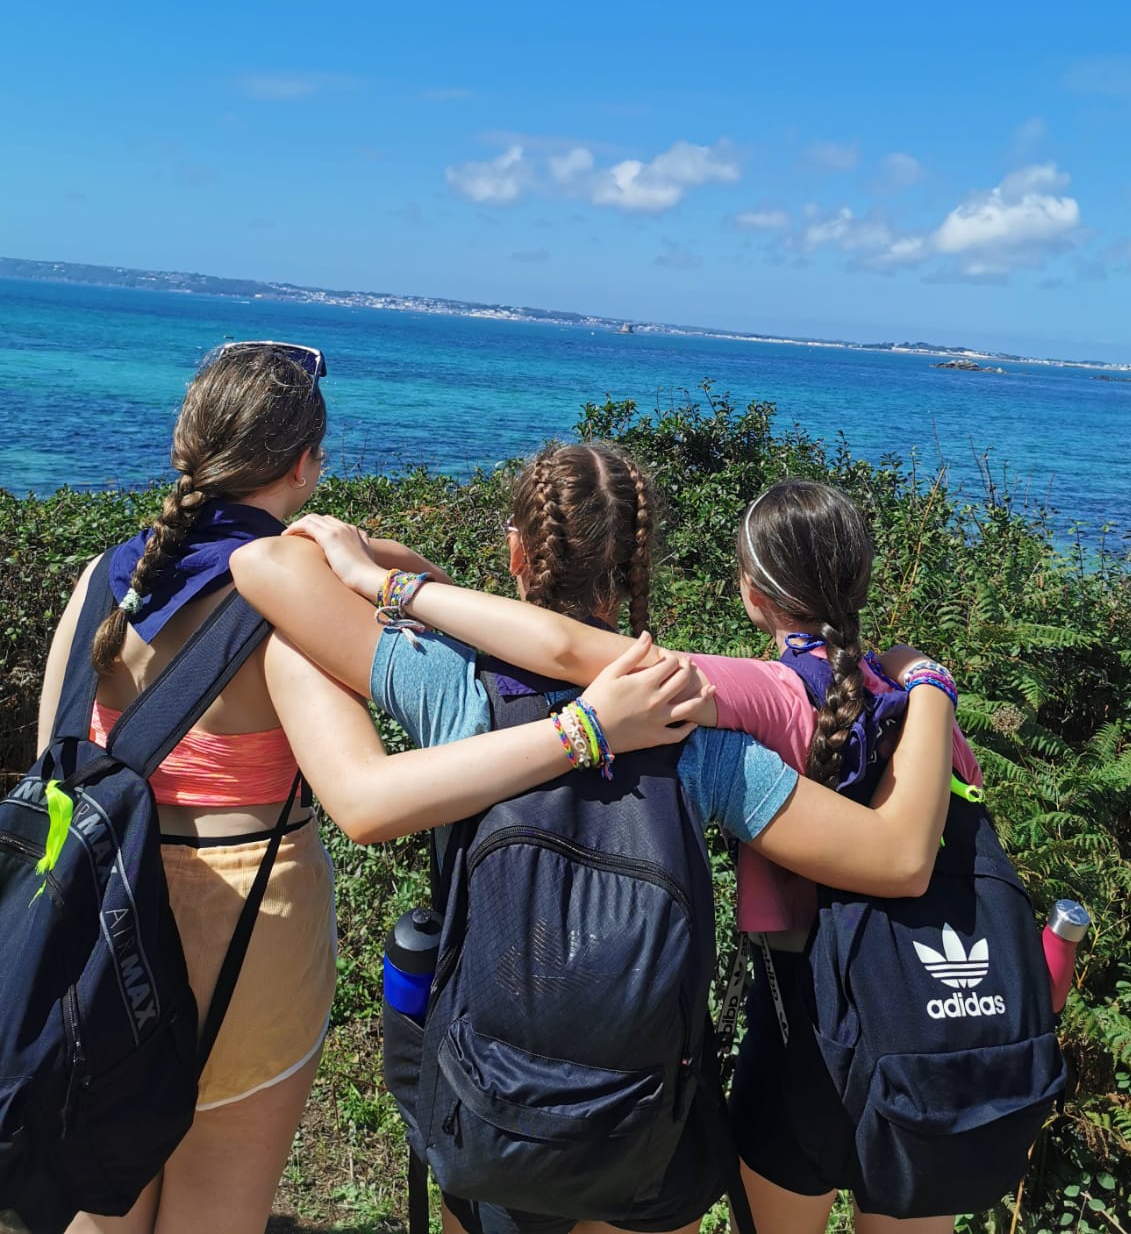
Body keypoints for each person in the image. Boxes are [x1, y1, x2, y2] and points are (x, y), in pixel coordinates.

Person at [36, 354, 705, 1234]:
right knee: (212, 1212)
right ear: (307, 463)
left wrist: (350, 548)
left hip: (89, 917)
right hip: (241, 927)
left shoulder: (98, 583)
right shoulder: (277, 603)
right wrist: (581, 732)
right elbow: (366, 801)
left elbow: (52, 760)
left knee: (101, 1202)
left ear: (183, 444)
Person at [232, 443, 959, 1234]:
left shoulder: (449, 681)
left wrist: (366, 559)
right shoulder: (689, 722)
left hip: (493, 1097)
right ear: (637, 569)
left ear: (516, 550)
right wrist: (928, 685)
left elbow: (266, 561)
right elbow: (892, 857)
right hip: (644, 1119)